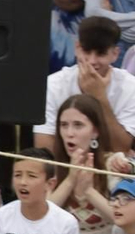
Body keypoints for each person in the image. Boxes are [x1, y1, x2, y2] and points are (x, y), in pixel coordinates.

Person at [38, 16, 135, 152]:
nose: (92, 61)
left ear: (115, 54)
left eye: (100, 54)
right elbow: (44, 148)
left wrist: (100, 97)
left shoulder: (130, 87)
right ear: (77, 48)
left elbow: (120, 148)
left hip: (111, 169)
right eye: (87, 52)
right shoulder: (54, 84)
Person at [49, 93, 120, 234]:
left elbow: (121, 218)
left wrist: (89, 191)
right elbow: (43, 214)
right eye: (64, 125)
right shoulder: (53, 168)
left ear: (95, 131)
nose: (69, 133)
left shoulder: (114, 165)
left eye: (78, 125)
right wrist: (70, 180)